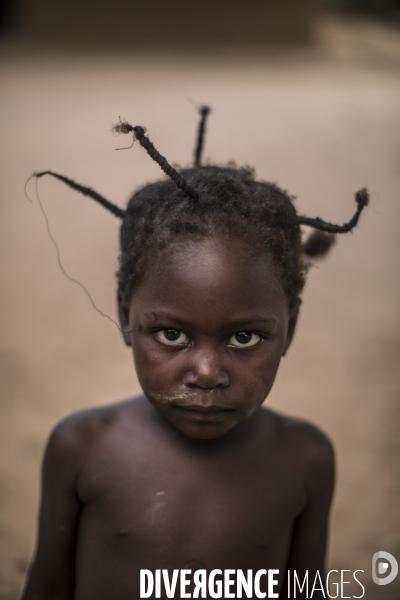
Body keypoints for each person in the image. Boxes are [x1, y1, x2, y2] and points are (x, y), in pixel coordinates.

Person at [21, 108, 368, 600]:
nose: (206, 373)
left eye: (244, 338)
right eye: (171, 335)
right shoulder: (81, 447)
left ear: (291, 325)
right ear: (126, 314)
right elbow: (48, 585)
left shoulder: (305, 459)